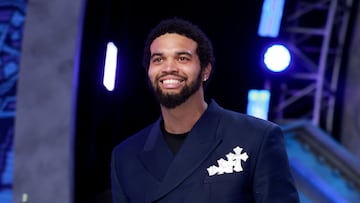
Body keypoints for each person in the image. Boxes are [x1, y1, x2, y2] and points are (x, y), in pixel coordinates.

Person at [111, 17, 300, 203]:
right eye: (158, 59)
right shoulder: (125, 156)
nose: (169, 67)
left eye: (182, 58)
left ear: (205, 70)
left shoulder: (256, 138)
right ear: (149, 71)